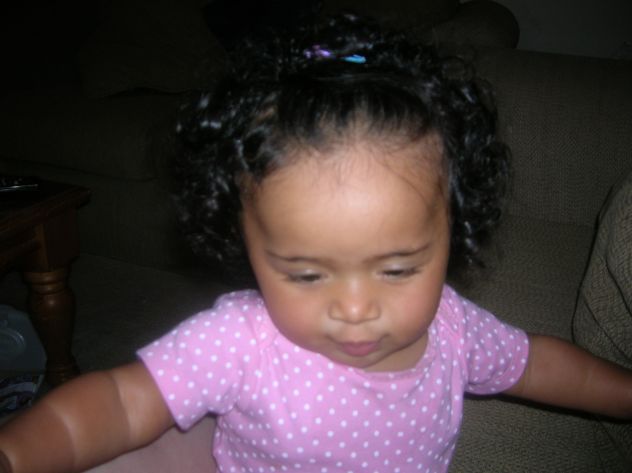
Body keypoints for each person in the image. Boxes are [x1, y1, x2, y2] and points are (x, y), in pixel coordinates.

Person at [1, 13, 631, 473]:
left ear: (452, 229)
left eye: (397, 269)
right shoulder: (239, 343)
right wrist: (17, 453)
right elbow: (120, 401)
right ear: (246, 243)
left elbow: (539, 365)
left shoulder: (456, 330)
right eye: (305, 274)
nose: (354, 308)